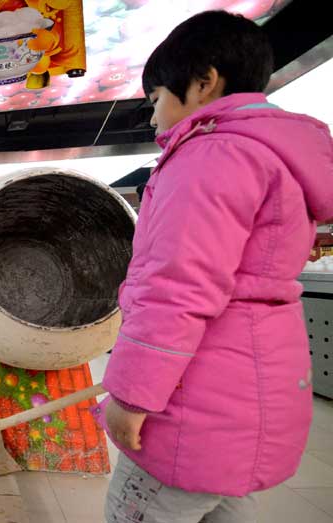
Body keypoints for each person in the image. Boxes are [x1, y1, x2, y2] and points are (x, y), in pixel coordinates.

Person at [94, 11, 333, 522]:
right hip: (250, 402)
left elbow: (175, 288)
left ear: (204, 81)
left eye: (156, 99)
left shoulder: (211, 155)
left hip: (192, 407)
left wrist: (131, 396)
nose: (154, 118)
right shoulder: (276, 155)